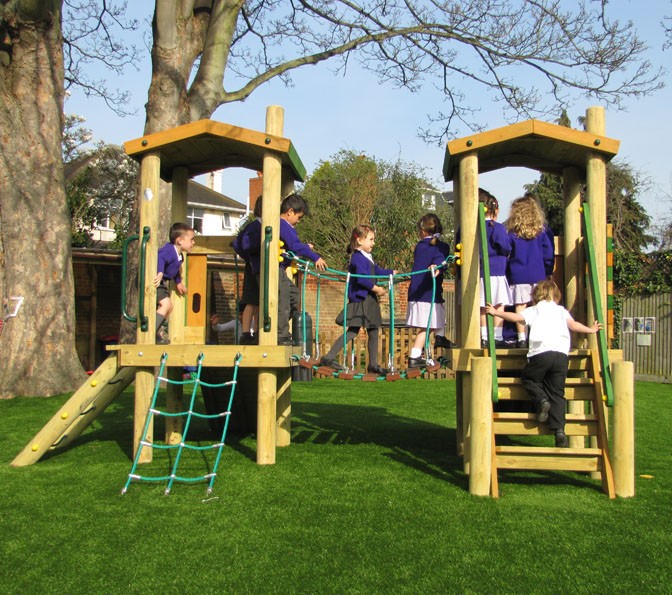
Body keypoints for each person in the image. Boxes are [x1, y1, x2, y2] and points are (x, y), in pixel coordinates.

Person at [485, 279, 602, 448]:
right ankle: (560, 431)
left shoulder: (534, 310)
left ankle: (541, 400)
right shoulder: (561, 311)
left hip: (541, 353)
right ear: (556, 296)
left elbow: (517, 317)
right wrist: (591, 330)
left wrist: (496, 313)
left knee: (529, 379)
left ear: (536, 296)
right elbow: (574, 326)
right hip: (561, 356)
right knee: (558, 393)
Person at [320, 225, 396, 376]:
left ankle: (373, 364)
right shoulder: (357, 257)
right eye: (371, 240)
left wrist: (392, 273)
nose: (373, 243)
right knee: (353, 330)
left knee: (374, 329)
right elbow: (362, 279)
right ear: (360, 240)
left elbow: (376, 270)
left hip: (370, 299)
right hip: (361, 299)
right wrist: (377, 289)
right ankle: (328, 357)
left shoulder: (367, 257)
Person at [504, 195, 555, 348]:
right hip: (538, 274)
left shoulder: (512, 233)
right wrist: (548, 270)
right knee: (538, 306)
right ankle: (536, 335)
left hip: (518, 275)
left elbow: (508, 253)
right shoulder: (541, 231)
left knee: (520, 306)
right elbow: (548, 253)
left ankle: (521, 337)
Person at [278, 194, 327, 345]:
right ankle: (280, 334)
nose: (299, 221)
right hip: (276, 269)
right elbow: (294, 246)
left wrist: (304, 248)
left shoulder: (286, 227)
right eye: (299, 217)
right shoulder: (283, 225)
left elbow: (293, 247)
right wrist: (314, 256)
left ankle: (279, 328)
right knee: (284, 298)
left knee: (294, 295)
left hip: (281, 268)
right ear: (290, 211)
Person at [406, 213, 452, 368]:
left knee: (438, 314)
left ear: (423, 230)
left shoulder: (421, 245)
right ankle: (414, 356)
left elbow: (439, 259)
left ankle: (440, 337)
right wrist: (438, 266)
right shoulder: (441, 246)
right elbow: (440, 259)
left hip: (422, 291)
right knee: (427, 325)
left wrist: (438, 265)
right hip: (426, 291)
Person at [478, 189, 512, 348]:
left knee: (483, 307)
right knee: (499, 304)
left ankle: (484, 337)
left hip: (482, 272)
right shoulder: (497, 228)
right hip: (497, 271)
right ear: (494, 210)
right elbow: (505, 246)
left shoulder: (476, 227)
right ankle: (497, 336)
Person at [153, 222, 196, 344]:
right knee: (165, 305)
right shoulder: (168, 250)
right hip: (155, 281)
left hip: (161, 282)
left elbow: (175, 270)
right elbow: (159, 257)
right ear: (180, 241)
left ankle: (156, 331)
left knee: (170, 306)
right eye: (192, 239)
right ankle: (150, 331)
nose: (194, 243)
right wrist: (160, 272)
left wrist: (178, 282)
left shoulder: (179, 256)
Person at [232, 197, 263, 344]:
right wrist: (249, 257)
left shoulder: (263, 226)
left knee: (259, 302)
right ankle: (245, 333)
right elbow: (239, 243)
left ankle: (256, 332)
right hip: (253, 267)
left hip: (261, 268)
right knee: (251, 301)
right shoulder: (255, 226)